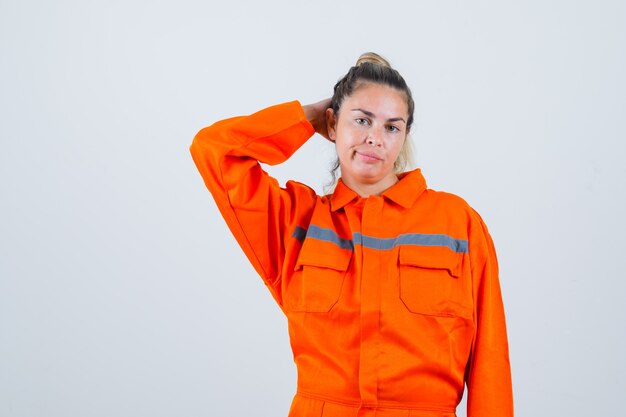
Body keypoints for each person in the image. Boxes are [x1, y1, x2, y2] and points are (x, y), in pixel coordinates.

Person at [190, 52, 513, 417]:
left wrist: (345, 118)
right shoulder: (296, 222)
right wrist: (307, 117)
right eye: (361, 120)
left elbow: (490, 359)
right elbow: (215, 150)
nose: (375, 138)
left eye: (392, 127)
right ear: (332, 125)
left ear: (405, 134)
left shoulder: (458, 223)